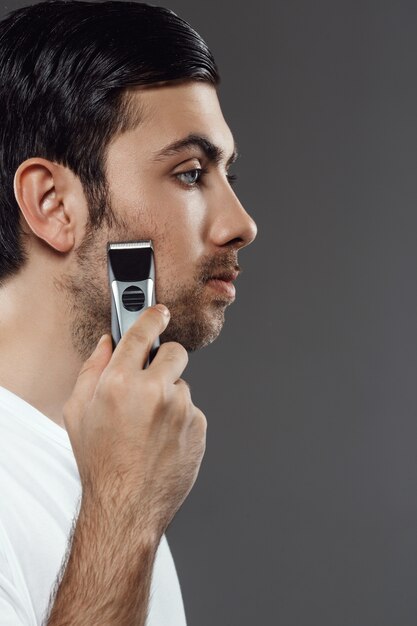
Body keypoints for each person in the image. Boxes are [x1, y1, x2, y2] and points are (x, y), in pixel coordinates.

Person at [0, 1, 257, 624]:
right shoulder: (116, 495)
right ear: (55, 204)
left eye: (225, 172)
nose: (241, 224)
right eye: (191, 173)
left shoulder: (103, 463)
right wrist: (125, 509)